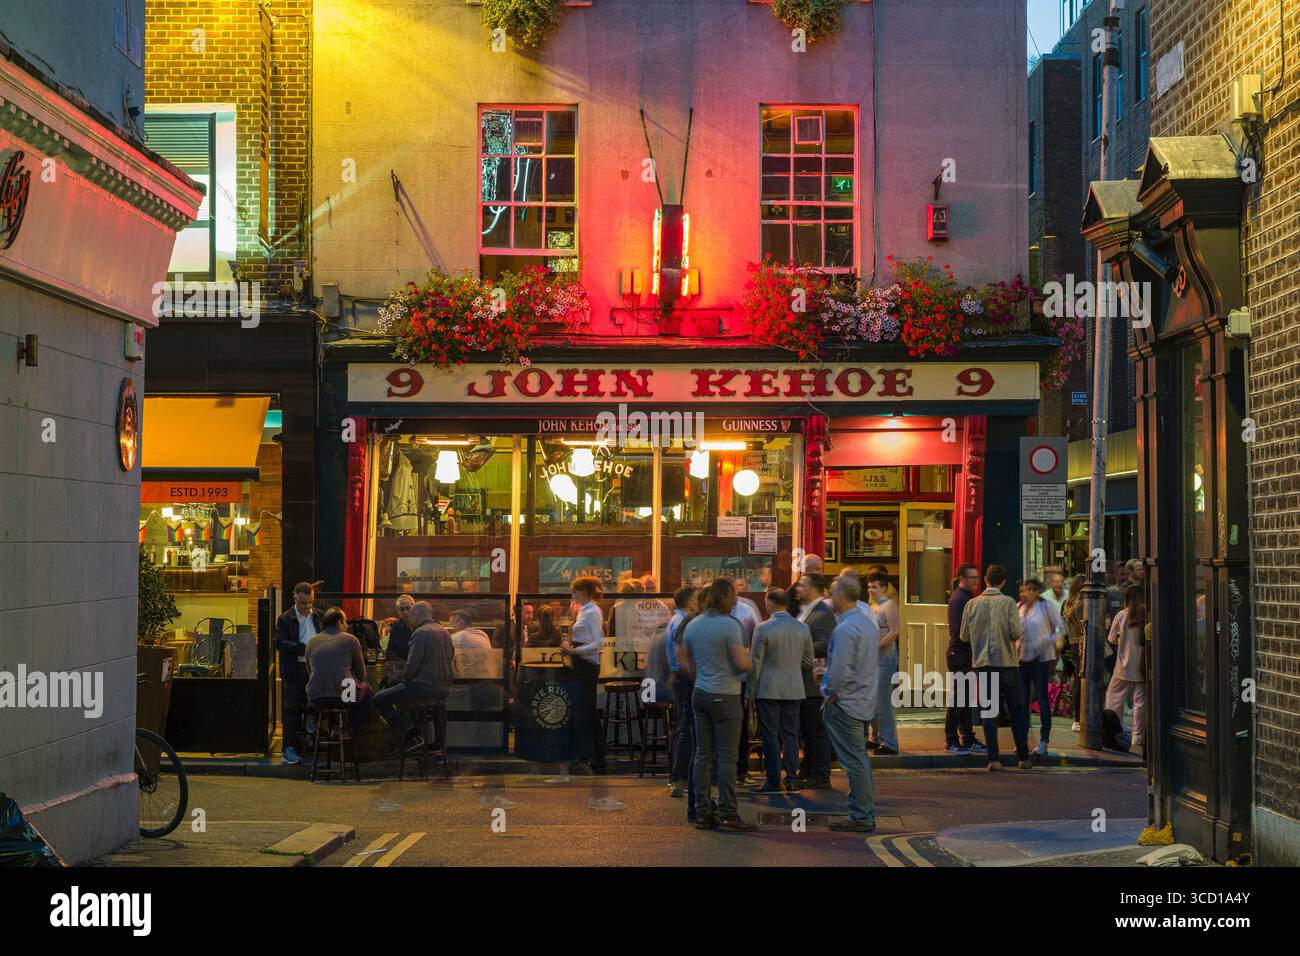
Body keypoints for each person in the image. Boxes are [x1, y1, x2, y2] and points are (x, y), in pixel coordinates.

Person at [678, 578, 757, 832]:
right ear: (726, 597)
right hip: (726, 695)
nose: (736, 598)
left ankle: (703, 811)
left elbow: (688, 666)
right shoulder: (730, 626)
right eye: (733, 594)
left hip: (700, 693)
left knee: (703, 754)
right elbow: (742, 665)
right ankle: (728, 813)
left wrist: (703, 675)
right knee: (727, 756)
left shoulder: (693, 625)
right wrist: (755, 662)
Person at [822, 576, 880, 832]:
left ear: (840, 596)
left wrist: (828, 692)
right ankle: (862, 813)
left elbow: (839, 672)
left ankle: (861, 816)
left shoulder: (845, 629)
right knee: (859, 760)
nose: (829, 598)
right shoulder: (866, 624)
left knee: (854, 762)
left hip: (846, 703)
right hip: (863, 699)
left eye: (832, 593)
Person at [959, 564, 1030, 770]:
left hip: (983, 664)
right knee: (1016, 711)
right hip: (1007, 664)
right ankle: (1023, 758)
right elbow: (1016, 633)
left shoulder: (971, 604)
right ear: (1003, 582)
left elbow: (963, 636)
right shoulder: (1008, 603)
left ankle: (993, 759)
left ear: (985, 581)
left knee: (989, 713)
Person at [747, 588, 813, 795]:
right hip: (794, 688)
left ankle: (773, 780)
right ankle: (792, 778)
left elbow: (755, 663)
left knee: (770, 735)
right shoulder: (802, 628)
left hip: (768, 689)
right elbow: (808, 660)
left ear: (769, 603)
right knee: (791, 735)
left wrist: (750, 691)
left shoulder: (762, 628)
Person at [372, 602, 454, 755]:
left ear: (416, 615)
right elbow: (452, 655)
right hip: (443, 688)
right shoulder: (443, 631)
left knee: (379, 698)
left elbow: (413, 664)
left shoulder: (421, 632)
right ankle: (418, 736)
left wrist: (404, 680)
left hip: (424, 686)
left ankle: (409, 736)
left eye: (411, 616)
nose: (410, 620)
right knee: (399, 692)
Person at [560, 576, 608, 774]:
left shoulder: (590, 612)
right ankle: (593, 755)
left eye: (574, 591)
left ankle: (588, 755)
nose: (572, 595)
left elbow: (599, 643)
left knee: (584, 712)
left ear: (584, 592)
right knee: (586, 711)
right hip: (584, 664)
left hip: (585, 665)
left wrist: (573, 651)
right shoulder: (586, 611)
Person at [274, 582, 323, 766]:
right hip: (295, 668)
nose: (307, 607)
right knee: (291, 708)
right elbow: (280, 643)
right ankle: (289, 748)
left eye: (310, 602)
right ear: (295, 598)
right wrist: (305, 648)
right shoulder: (285, 619)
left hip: (315, 667)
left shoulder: (318, 616)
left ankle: (310, 730)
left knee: (316, 701)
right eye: (303, 603)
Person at [794, 573, 835, 788]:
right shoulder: (808, 611)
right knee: (808, 730)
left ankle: (820, 774)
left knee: (816, 730)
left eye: (803, 585)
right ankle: (807, 770)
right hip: (804, 682)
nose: (798, 589)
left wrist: (798, 648)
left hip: (814, 683)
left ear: (815, 588)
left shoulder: (822, 613)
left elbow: (825, 644)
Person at [1018, 578, 1064, 756]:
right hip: (1022, 659)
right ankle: (1022, 741)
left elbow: (1060, 629)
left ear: (1037, 591)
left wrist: (1048, 643)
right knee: (1022, 702)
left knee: (1043, 701)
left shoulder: (1046, 608)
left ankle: (1044, 741)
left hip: (1041, 659)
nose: (1026, 593)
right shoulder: (1019, 607)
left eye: (1030, 589)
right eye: (1023, 590)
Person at [306, 607, 373, 726]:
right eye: (345, 621)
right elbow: (361, 673)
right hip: (343, 696)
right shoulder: (350, 639)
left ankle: (334, 729)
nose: (347, 625)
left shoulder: (311, 642)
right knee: (367, 690)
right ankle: (351, 729)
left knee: (332, 692)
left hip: (315, 698)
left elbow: (310, 671)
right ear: (339, 622)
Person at [944, 563, 986, 755]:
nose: (976, 581)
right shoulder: (961, 599)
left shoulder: (966, 597)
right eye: (972, 578)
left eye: (978, 577)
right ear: (962, 578)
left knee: (966, 699)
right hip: (960, 654)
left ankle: (968, 738)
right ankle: (951, 740)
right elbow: (961, 632)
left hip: (965, 655)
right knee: (958, 699)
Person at [1105, 586, 1147, 752]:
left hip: (1123, 663)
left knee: (1114, 696)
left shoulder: (1122, 615)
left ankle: (1116, 729)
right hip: (1142, 665)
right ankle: (1138, 736)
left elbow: (1111, 639)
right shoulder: (1147, 613)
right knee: (1140, 700)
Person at [729, 580, 761, 785]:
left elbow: (757, 638)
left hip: (738, 679)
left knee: (740, 725)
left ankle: (740, 769)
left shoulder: (747, 610)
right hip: (725, 679)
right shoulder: (712, 616)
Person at [664, 584, 694, 800]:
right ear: (690, 601)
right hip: (684, 679)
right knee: (684, 728)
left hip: (679, 678)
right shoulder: (682, 621)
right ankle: (679, 776)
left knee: (682, 727)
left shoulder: (676, 620)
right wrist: (691, 674)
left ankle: (678, 776)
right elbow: (679, 656)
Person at [865, 571, 901, 756]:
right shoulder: (871, 606)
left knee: (882, 700)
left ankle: (889, 742)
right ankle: (876, 737)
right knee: (871, 699)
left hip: (885, 657)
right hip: (872, 658)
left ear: (884, 588)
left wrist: (877, 645)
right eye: (869, 586)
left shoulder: (889, 605)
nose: (870, 590)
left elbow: (895, 631)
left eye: (875, 587)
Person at [1061, 573, 1087, 732]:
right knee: (1083, 682)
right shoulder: (1083, 604)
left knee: (1078, 681)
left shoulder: (1067, 603)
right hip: (1083, 644)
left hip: (1073, 645)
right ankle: (1079, 718)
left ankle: (1077, 718)